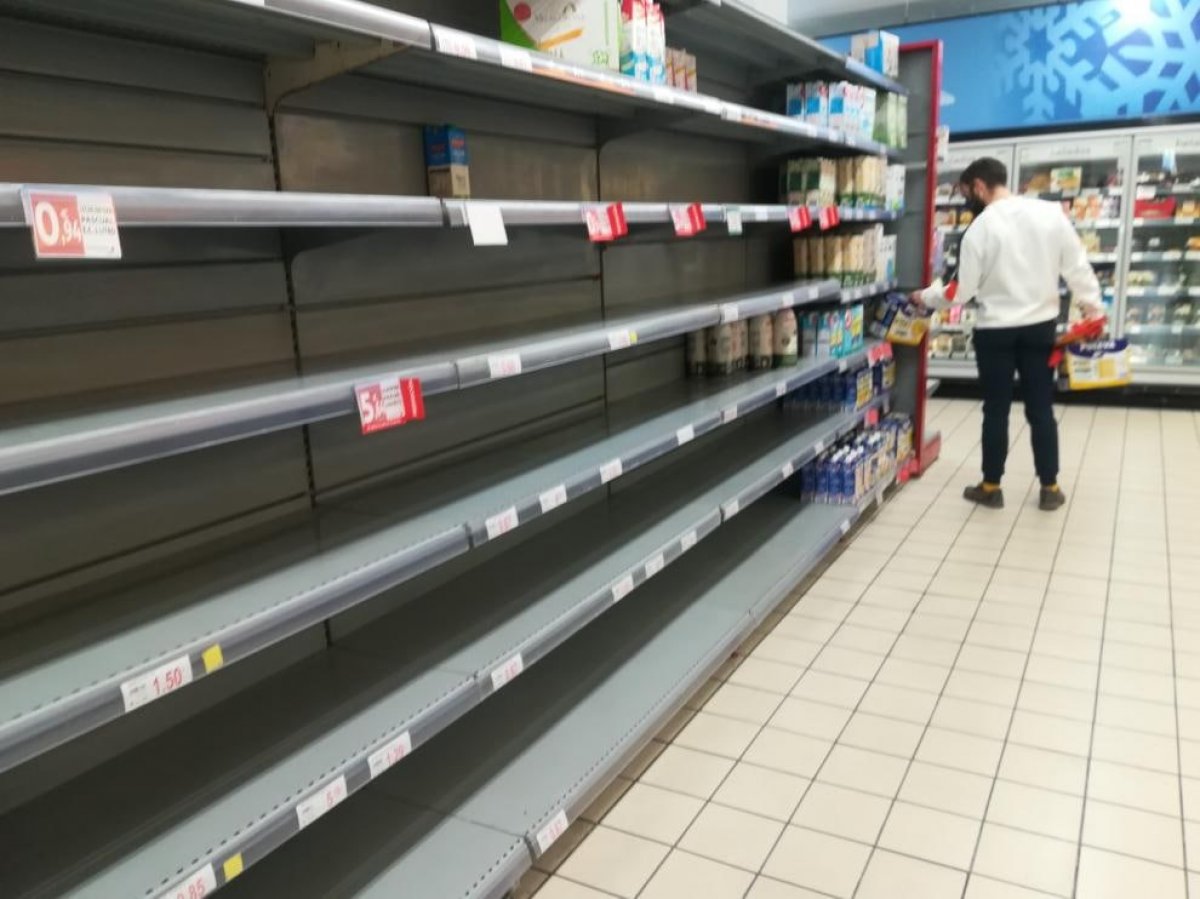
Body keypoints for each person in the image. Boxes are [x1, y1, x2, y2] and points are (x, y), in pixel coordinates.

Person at [914, 157, 1104, 511]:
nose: (968, 198)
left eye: (969, 192)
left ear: (981, 186)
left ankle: (990, 486)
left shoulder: (981, 227)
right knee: (1041, 409)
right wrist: (1094, 309)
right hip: (1040, 330)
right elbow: (1078, 267)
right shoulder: (1050, 214)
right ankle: (1050, 487)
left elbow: (961, 290)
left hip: (995, 332)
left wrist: (924, 297)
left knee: (996, 409)